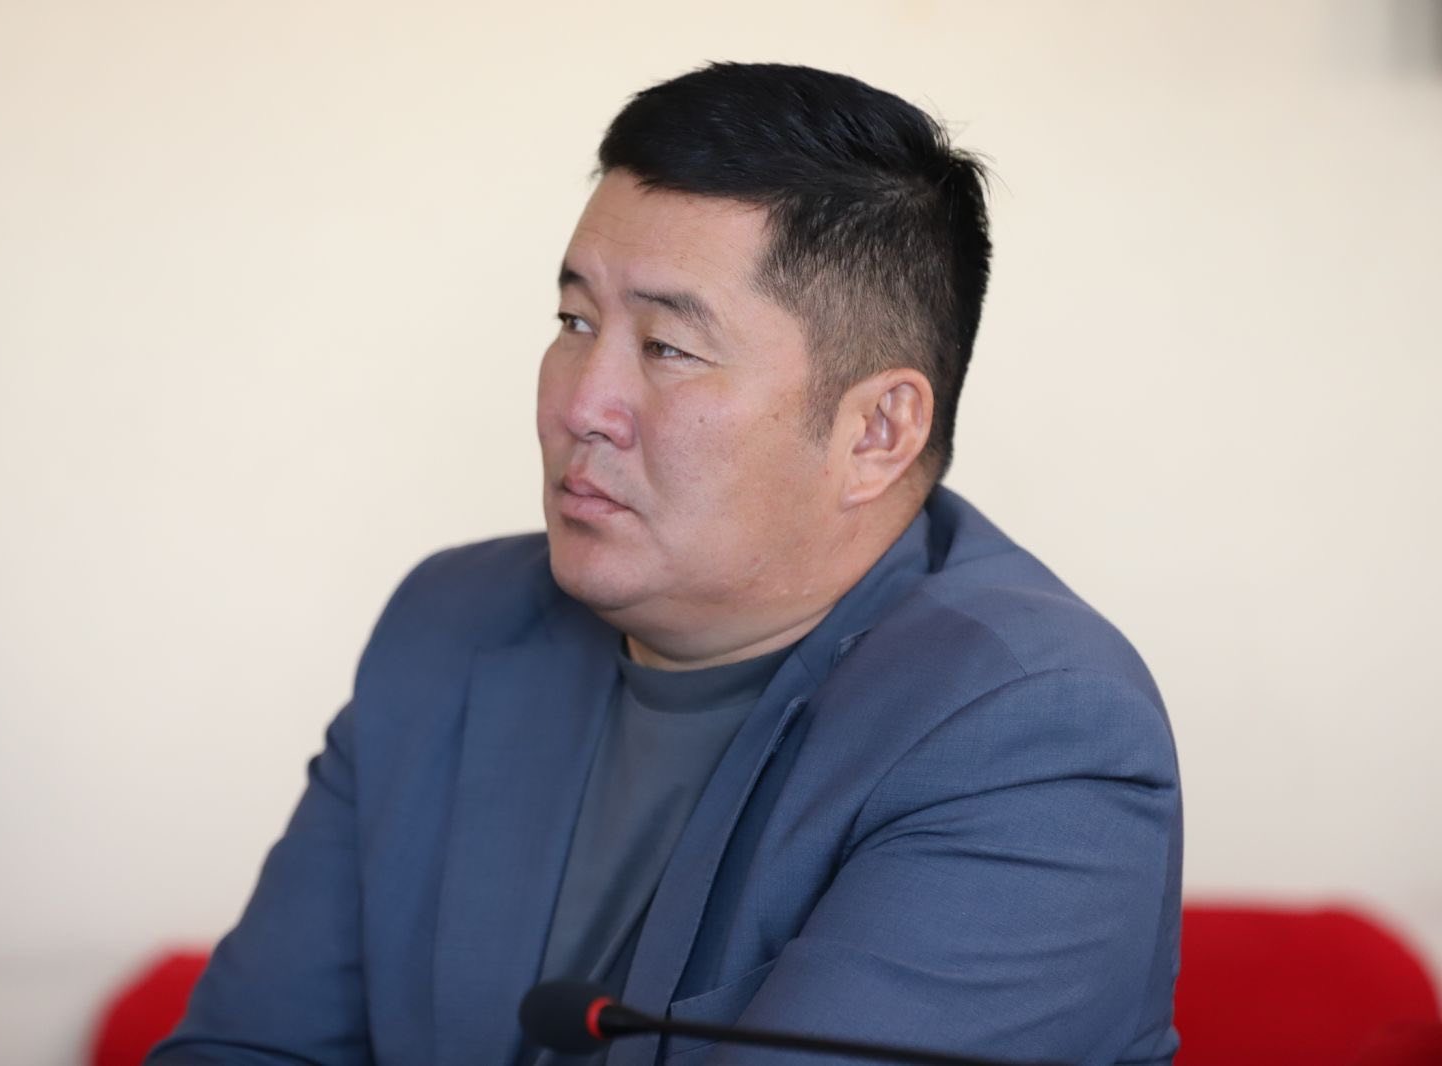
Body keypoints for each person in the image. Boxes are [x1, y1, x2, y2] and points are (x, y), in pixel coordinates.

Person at [151, 62, 1181, 1066]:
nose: (578, 406)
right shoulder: (451, 626)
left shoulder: (1034, 732)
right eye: (574, 322)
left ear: (876, 431)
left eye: (667, 348)